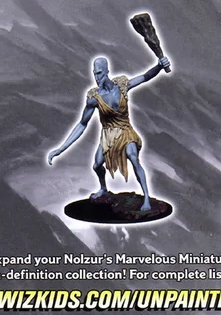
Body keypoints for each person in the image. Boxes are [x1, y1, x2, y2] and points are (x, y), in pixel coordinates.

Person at [48, 56, 170, 211]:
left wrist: (159, 66)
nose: (96, 77)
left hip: (125, 131)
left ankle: (146, 197)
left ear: (107, 71)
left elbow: (145, 77)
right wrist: (60, 149)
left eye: (99, 73)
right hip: (108, 135)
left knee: (133, 156)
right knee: (97, 165)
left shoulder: (122, 86)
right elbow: (82, 124)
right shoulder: (94, 98)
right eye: (94, 73)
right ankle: (103, 188)